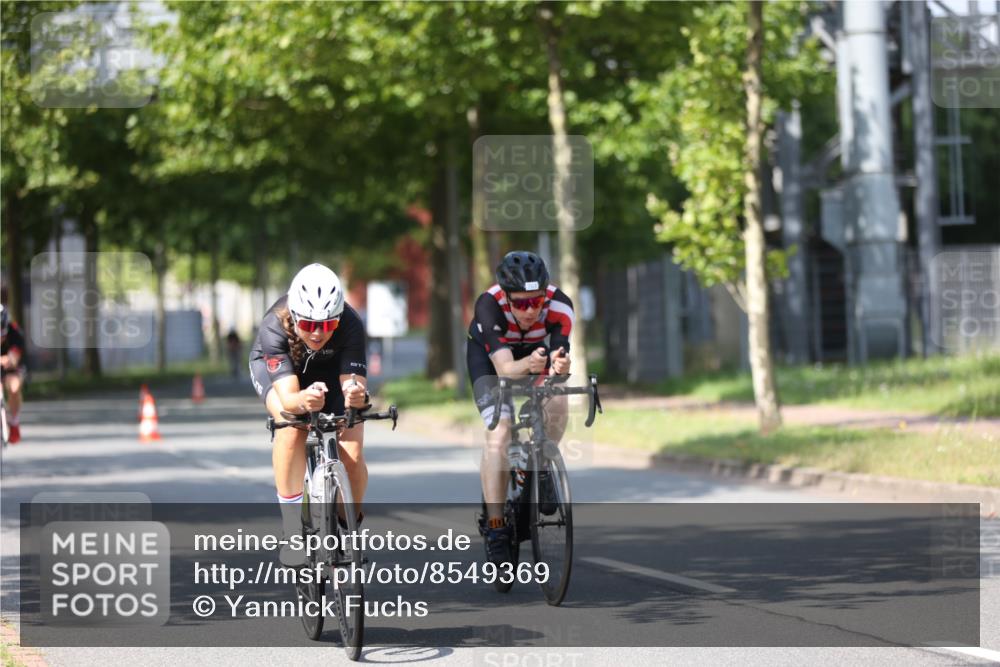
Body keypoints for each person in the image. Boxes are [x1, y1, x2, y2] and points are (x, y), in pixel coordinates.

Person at [249, 263, 369, 566]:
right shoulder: (275, 323)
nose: (317, 333)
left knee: (352, 451)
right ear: (295, 316)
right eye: (309, 324)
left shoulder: (351, 323)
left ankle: (348, 526)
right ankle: (292, 531)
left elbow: (355, 388)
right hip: (282, 373)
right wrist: (303, 401)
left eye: (328, 325)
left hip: (330, 371)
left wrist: (356, 395)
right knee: (291, 425)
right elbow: (289, 399)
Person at [466, 251, 573, 564]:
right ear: (506, 297)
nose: (530, 310)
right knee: (499, 434)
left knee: (558, 397)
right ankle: (497, 527)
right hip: (491, 364)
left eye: (536, 301)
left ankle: (542, 462)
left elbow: (559, 369)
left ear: (546, 294)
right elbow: (505, 370)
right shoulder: (489, 304)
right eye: (521, 303)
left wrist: (560, 367)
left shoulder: (560, 305)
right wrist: (529, 363)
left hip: (534, 359)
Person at [1, 305, 26, 445]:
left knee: (14, 388)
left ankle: (14, 421)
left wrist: (9, 359)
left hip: (10, 368)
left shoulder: (14, 332)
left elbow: (14, 359)